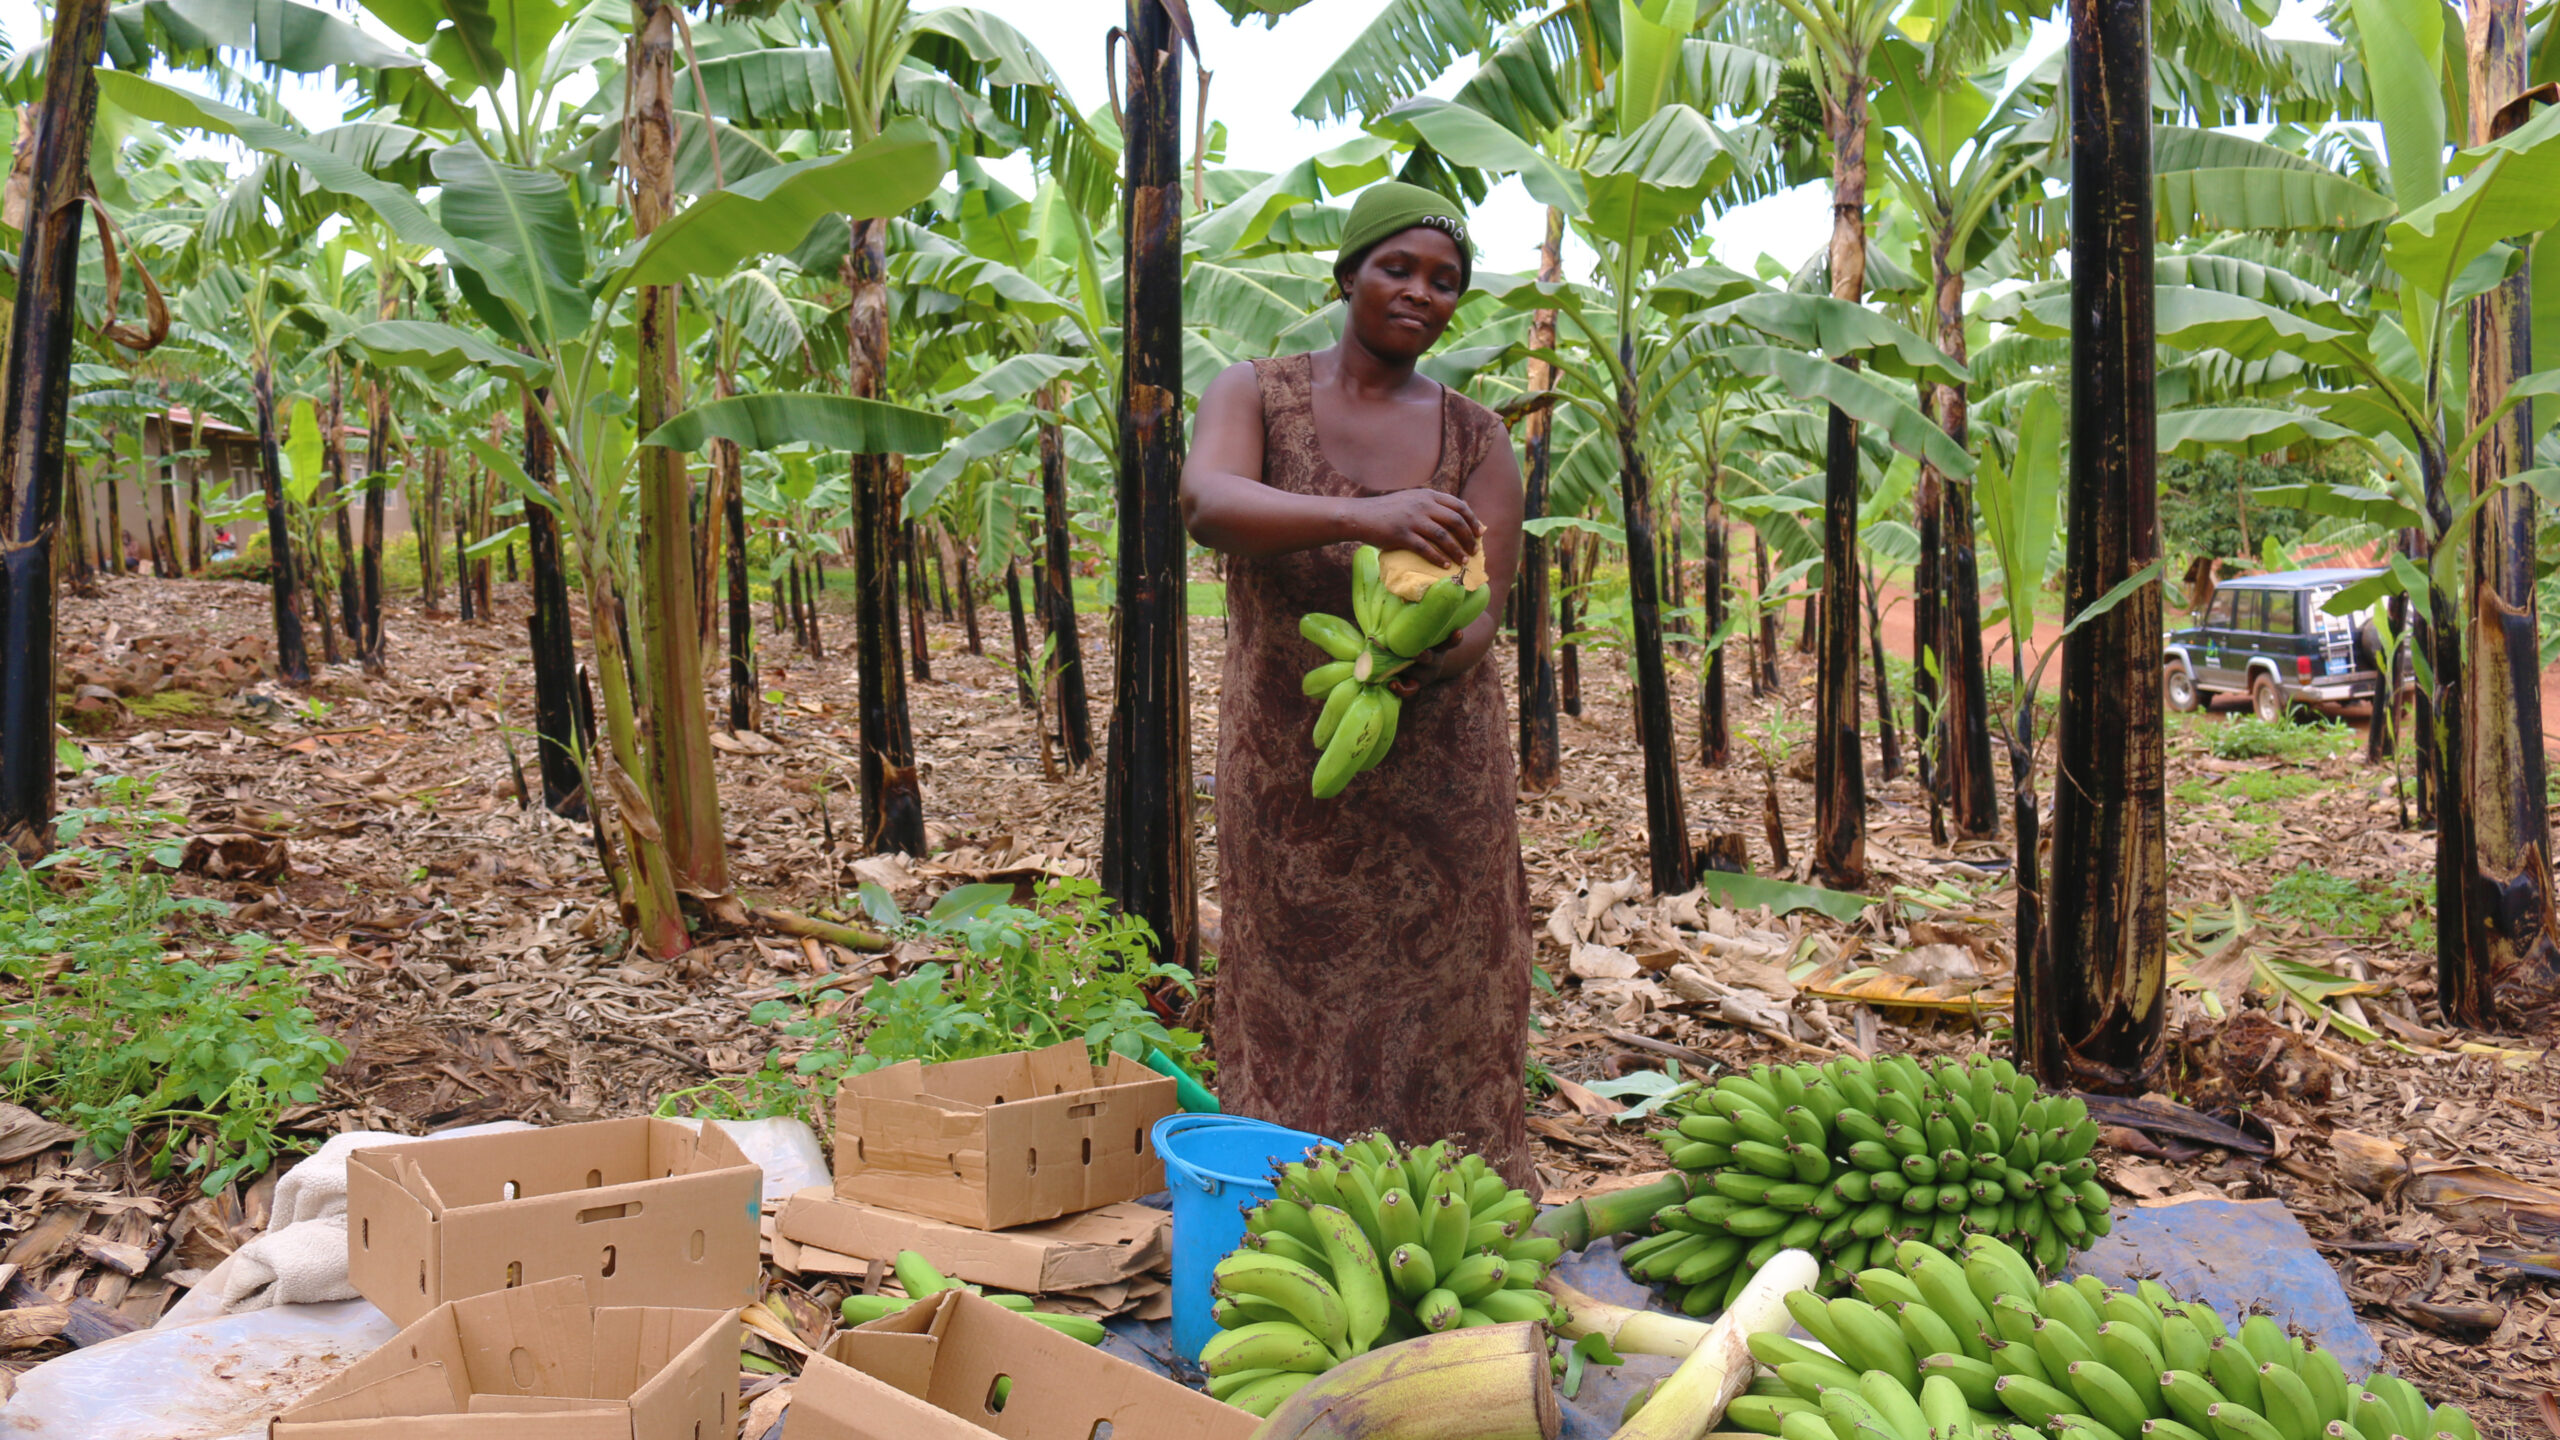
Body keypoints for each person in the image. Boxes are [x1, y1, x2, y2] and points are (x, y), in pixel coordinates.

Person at [1181, 182, 1535, 1185]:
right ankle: (1289, 1201)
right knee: (1292, 988)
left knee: (1447, 995)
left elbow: (1482, 607)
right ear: (1346, 275)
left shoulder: (1478, 440)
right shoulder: (1253, 394)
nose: (1420, 292)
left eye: (1444, 281)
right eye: (1396, 267)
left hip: (1440, 771)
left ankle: (1453, 1211)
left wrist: (1426, 659)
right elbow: (1207, 502)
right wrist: (1365, 518)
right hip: (1288, 762)